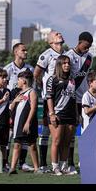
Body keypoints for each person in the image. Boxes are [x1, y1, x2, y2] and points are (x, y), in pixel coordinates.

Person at [33, 30, 65, 173]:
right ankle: (43, 164)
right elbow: (36, 74)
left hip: (64, 99)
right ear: (51, 40)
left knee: (63, 133)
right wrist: (45, 90)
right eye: (56, 34)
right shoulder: (46, 55)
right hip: (50, 99)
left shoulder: (66, 54)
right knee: (46, 131)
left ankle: (64, 164)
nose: (59, 34)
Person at [64, 31, 94, 175]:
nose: (87, 49)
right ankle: (69, 163)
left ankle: (86, 161)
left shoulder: (90, 58)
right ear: (80, 41)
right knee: (71, 133)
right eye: (86, 46)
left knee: (87, 132)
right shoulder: (68, 56)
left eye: (89, 47)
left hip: (86, 99)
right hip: (71, 99)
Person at [4, 43, 35, 172]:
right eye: (23, 50)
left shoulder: (30, 69)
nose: (26, 52)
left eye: (26, 50)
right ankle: (6, 163)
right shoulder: (8, 69)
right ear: (16, 52)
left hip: (25, 105)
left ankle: (22, 163)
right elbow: (4, 89)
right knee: (10, 135)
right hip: (13, 106)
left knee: (23, 135)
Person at [45, 55, 77, 176]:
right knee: (57, 141)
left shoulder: (72, 79)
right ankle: (55, 167)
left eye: (68, 63)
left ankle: (64, 167)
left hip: (71, 115)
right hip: (57, 114)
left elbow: (73, 98)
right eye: (64, 63)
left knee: (67, 142)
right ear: (59, 64)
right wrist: (52, 114)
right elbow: (49, 98)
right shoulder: (52, 79)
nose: (67, 65)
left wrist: (77, 114)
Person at [8, 70, 40, 174]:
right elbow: (11, 108)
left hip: (28, 123)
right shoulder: (18, 93)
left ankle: (36, 168)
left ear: (24, 81)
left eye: (19, 79)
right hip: (18, 124)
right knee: (17, 144)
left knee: (32, 145)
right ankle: (12, 168)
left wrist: (28, 122)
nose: (17, 81)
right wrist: (14, 101)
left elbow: (33, 108)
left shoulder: (32, 92)